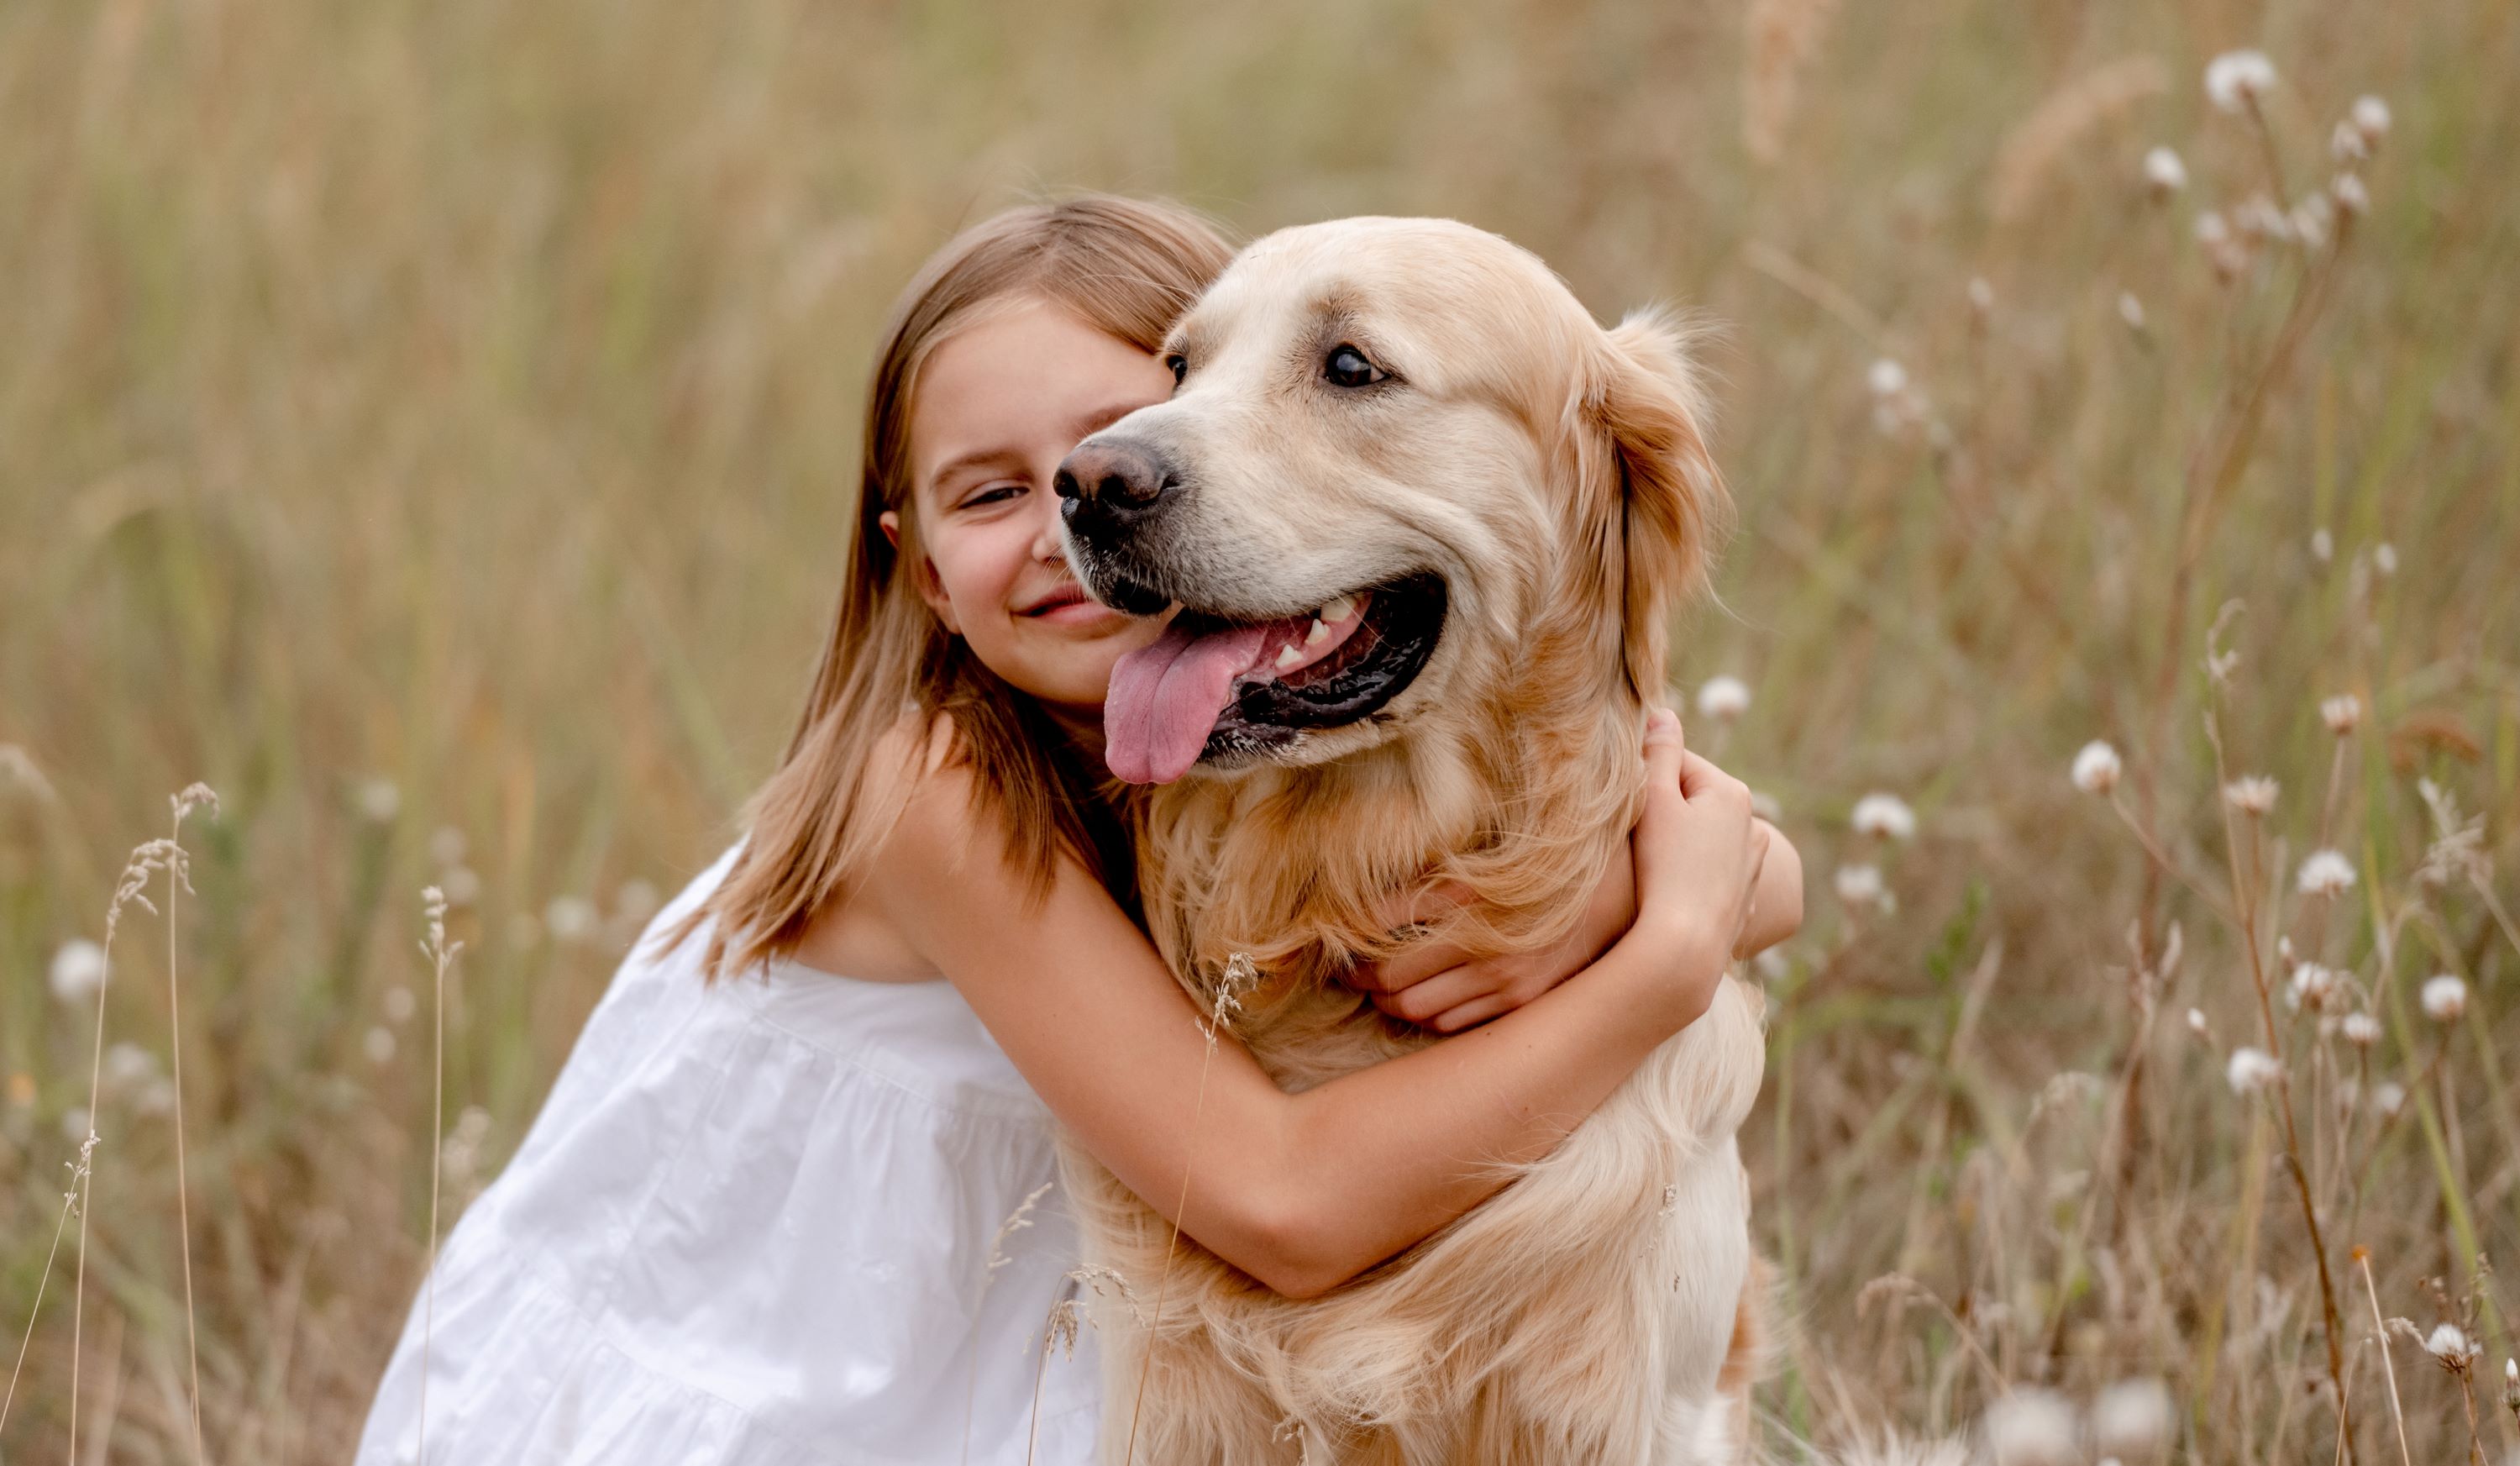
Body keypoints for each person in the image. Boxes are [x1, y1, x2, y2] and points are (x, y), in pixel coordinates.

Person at [354, 194, 1802, 1466]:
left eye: (1347, 370)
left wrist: (1701, 892)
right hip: (780, 1392)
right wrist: (1663, 960)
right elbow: (1280, 1199)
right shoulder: (939, 790)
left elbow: (1729, 841)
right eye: (994, 491)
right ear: (914, 566)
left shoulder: (1217, 725)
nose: (1103, 490)